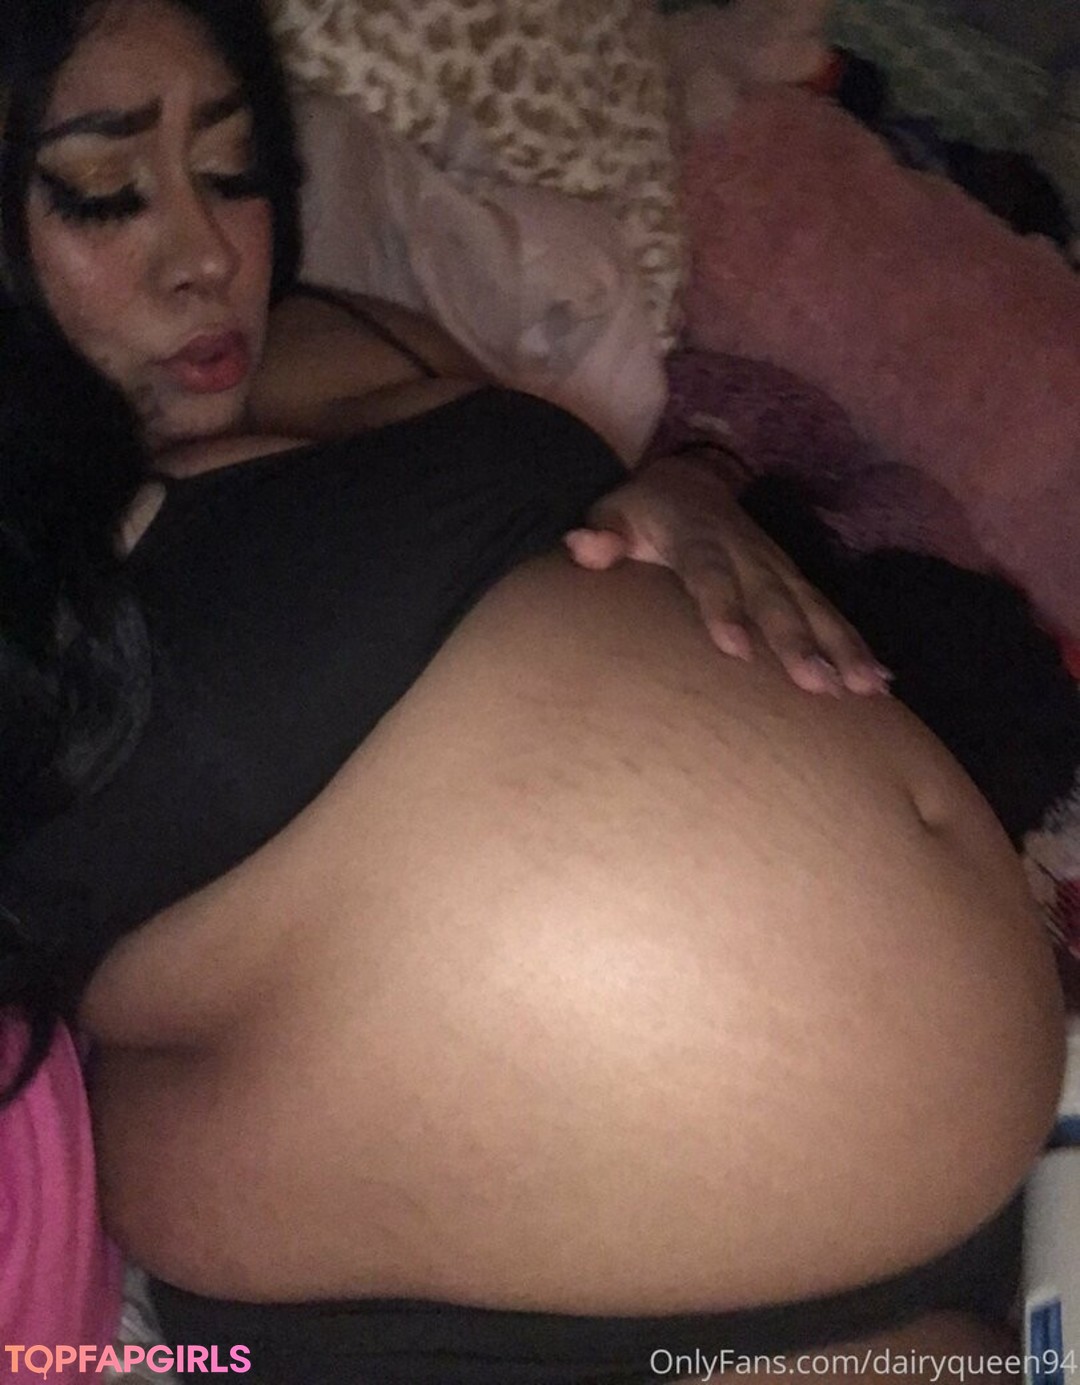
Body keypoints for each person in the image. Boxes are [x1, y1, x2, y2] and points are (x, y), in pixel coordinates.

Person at [0, 0, 1071, 1381]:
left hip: (936, 1188)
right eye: (105, 192)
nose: (206, 253)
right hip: (512, 1285)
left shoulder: (335, 330)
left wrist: (688, 486)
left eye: (231, 170)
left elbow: (568, 521)